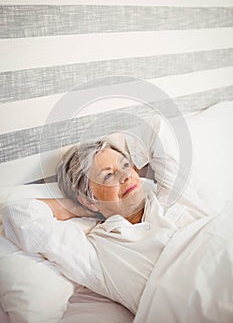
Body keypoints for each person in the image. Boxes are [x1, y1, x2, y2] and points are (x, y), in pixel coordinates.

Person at [2, 115, 207, 315]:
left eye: (125, 165)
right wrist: (82, 208)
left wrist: (110, 147)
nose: (126, 175)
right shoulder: (99, 251)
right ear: (87, 199)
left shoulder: (174, 197)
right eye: (108, 175)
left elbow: (157, 128)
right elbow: (19, 216)